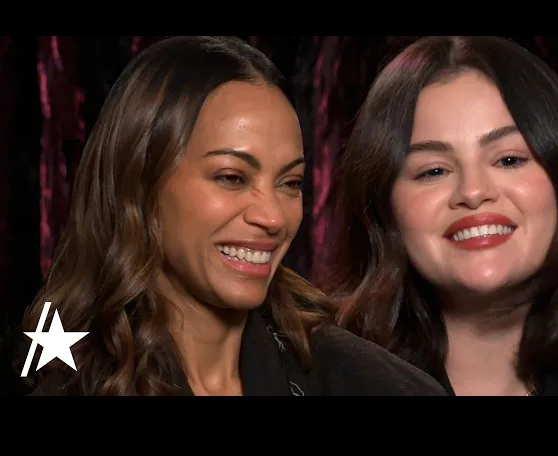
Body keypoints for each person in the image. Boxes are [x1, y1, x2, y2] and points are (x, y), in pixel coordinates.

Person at [22, 36, 445, 397]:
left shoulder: (372, 383)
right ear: (141, 184)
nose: (273, 217)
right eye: (232, 177)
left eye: (290, 183)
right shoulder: (57, 377)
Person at [325, 35, 558, 396]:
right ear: (384, 206)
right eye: (434, 171)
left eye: (508, 160)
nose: (473, 192)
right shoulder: (320, 378)